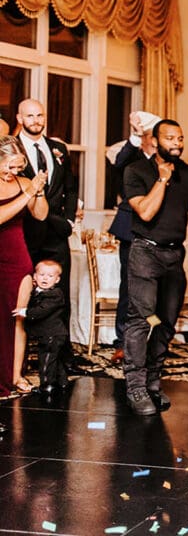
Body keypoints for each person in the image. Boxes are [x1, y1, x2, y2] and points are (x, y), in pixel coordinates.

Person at [122, 119, 188, 415]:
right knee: (140, 320)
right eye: (170, 138)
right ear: (155, 140)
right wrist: (162, 180)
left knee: (166, 324)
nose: (177, 143)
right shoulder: (136, 171)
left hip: (175, 256)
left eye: (180, 138)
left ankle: (152, 383)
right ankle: (135, 387)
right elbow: (146, 212)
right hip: (144, 253)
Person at [16, 99, 80, 372]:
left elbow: (70, 186)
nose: (36, 120)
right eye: (30, 115)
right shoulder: (10, 148)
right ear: (20, 117)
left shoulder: (58, 148)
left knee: (60, 293)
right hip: (23, 232)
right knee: (24, 295)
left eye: (40, 114)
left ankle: (62, 356)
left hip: (56, 236)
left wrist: (68, 219)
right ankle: (22, 356)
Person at [108, 111, 159, 362]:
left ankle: (152, 340)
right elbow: (119, 162)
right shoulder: (133, 157)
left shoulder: (168, 162)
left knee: (156, 291)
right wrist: (135, 136)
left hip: (159, 234)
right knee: (129, 289)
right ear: (149, 138)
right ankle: (123, 342)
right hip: (131, 231)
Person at [0, 135, 48, 397]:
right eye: (9, 166)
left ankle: (14, 375)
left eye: (19, 167)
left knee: (18, 319)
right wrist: (28, 193)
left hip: (17, 257)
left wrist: (37, 191)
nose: (14, 172)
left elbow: (40, 215)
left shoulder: (25, 182)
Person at [15, 260, 67, 398]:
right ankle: (62, 382)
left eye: (50, 276)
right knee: (56, 360)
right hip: (48, 334)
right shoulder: (37, 292)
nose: (45, 278)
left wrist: (25, 312)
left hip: (52, 334)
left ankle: (47, 385)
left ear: (57, 279)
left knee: (46, 360)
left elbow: (41, 311)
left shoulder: (55, 294)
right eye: (42, 274)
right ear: (35, 277)